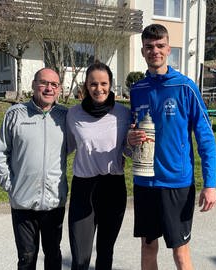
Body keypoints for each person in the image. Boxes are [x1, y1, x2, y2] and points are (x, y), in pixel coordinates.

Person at [127, 24, 216, 270]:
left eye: (159, 46)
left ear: (168, 49)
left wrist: (210, 184)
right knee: (148, 247)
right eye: (149, 46)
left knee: (180, 251)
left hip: (177, 183)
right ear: (143, 50)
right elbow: (131, 134)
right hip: (145, 182)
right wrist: (130, 139)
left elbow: (206, 137)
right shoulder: (138, 90)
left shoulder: (185, 87)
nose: (154, 51)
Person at [0, 68, 69, 270]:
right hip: (23, 203)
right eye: (44, 83)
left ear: (59, 89)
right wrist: (11, 186)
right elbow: (1, 153)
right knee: (27, 257)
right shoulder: (15, 114)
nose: (49, 88)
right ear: (34, 85)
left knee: (53, 255)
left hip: (54, 202)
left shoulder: (64, 117)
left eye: (54, 84)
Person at [66, 61, 131, 270]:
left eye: (104, 83)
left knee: (105, 254)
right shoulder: (73, 114)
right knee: (80, 259)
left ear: (111, 84)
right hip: (83, 189)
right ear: (86, 85)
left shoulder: (123, 113)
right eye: (93, 84)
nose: (99, 89)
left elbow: (129, 151)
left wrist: (131, 145)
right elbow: (64, 147)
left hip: (113, 187)